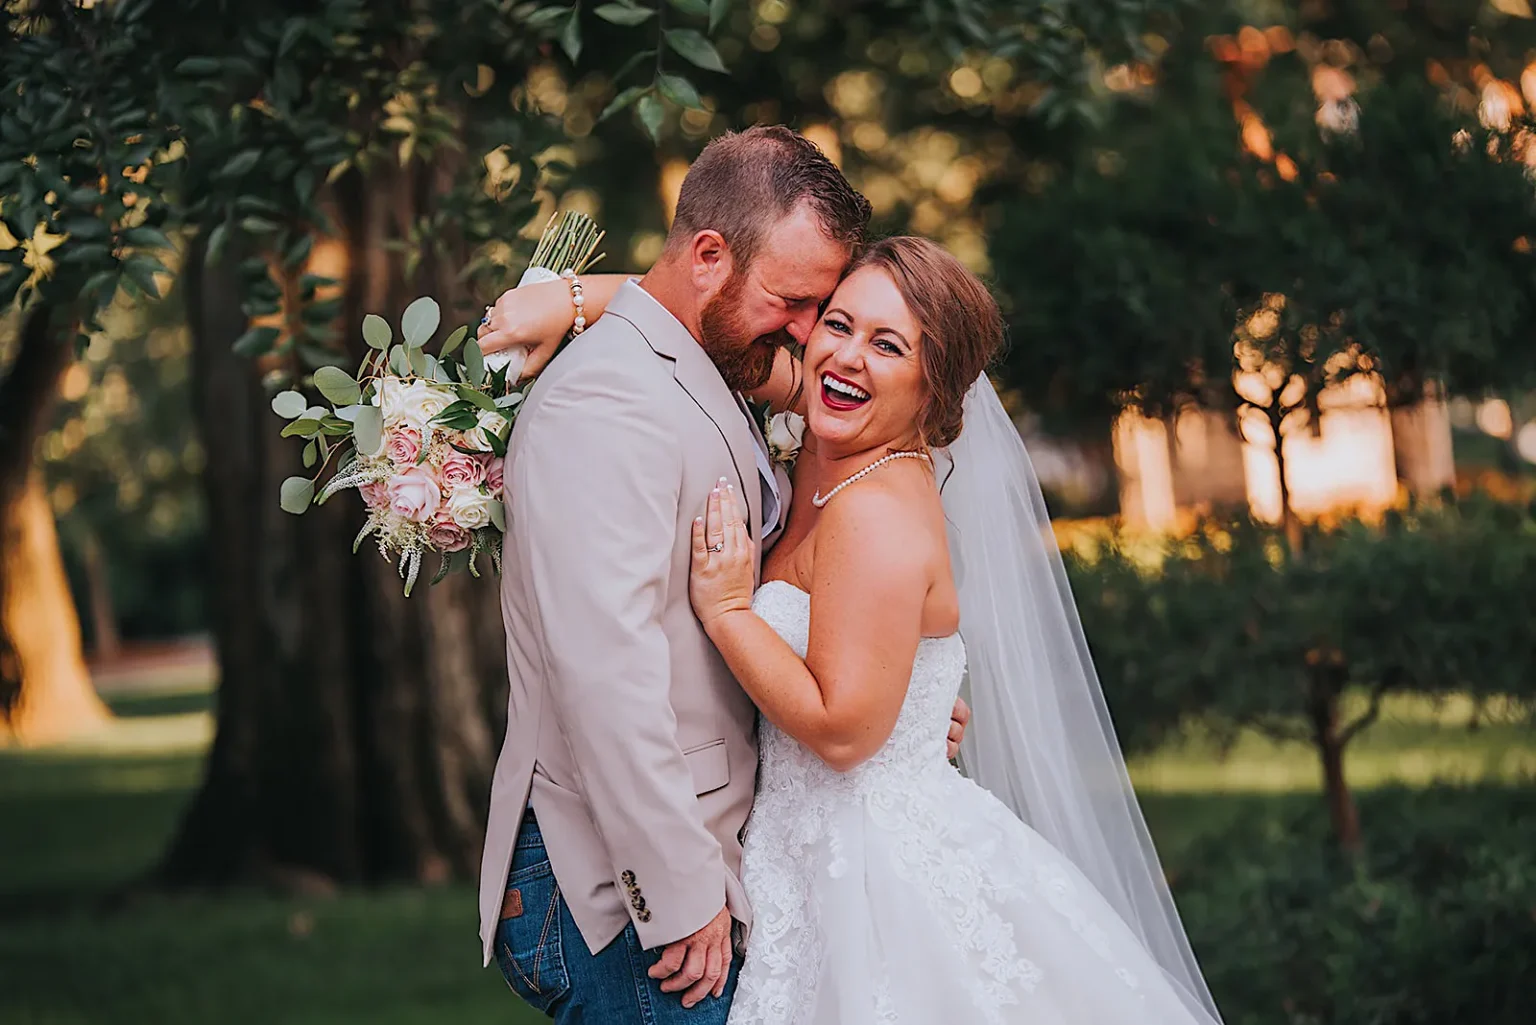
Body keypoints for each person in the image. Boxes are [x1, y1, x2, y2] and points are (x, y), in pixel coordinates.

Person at [500, 233, 1226, 1024]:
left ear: (933, 384)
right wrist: (576, 300)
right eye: (838, 324)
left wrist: (729, 610)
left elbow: (845, 731)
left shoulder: (876, 509)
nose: (848, 358)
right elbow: (699, 316)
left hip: (873, 877)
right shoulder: (825, 418)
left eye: (889, 344)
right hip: (794, 851)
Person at [475, 127, 970, 1025]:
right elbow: (604, 668)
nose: (811, 334)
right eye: (798, 302)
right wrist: (673, 886)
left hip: (722, 843)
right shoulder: (607, 399)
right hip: (629, 878)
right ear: (709, 256)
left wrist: (903, 696)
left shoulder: (711, 354)